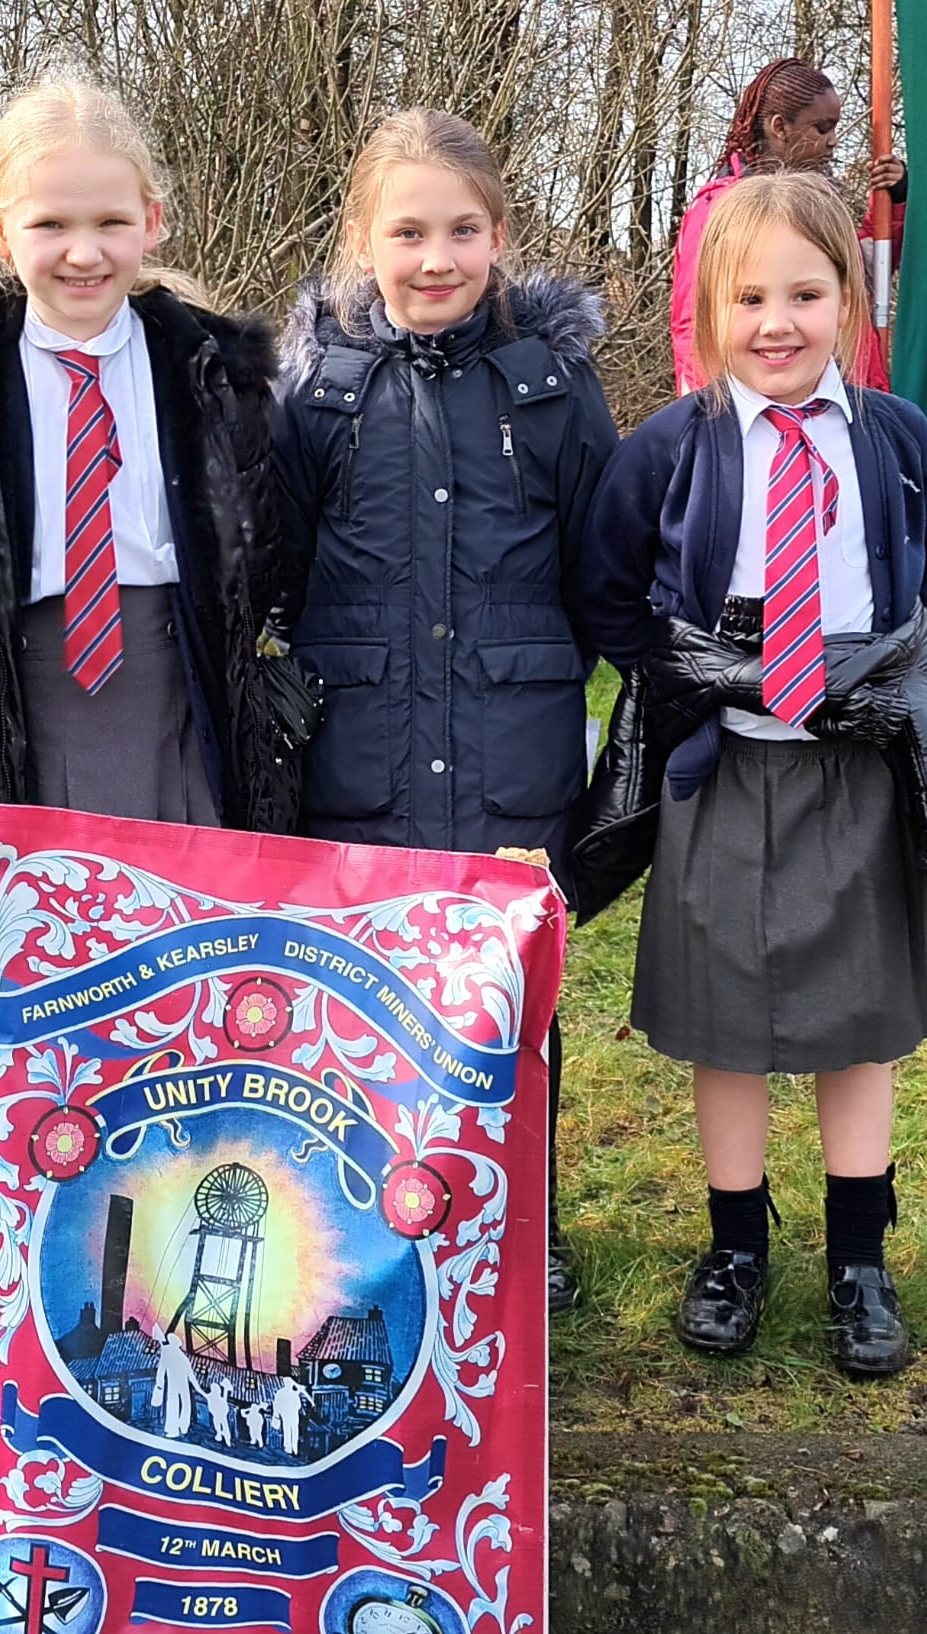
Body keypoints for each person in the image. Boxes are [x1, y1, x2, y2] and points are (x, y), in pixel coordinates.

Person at [579, 172, 927, 1379]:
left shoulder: (888, 438)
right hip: (718, 773)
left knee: (856, 1031)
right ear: (706, 311)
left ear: (847, 297)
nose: (776, 322)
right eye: (748, 298)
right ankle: (734, 1248)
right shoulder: (669, 447)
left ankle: (858, 1259)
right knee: (719, 1027)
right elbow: (608, 588)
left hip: (857, 779)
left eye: (804, 291)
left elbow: (921, 559)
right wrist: (697, 677)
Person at [272, 108, 620, 1315]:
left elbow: (600, 567)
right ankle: (368, 1220)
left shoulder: (553, 389)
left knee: (506, 1002)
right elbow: (279, 570)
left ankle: (524, 1212)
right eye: (406, 231)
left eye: (460, 231)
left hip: (510, 755)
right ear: (361, 239)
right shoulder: (316, 392)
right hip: (358, 754)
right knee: (361, 1002)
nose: (434, 259)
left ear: (498, 236)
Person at [0, 78, 292, 832]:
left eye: (111, 221)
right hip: (22, 701)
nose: (84, 252)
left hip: (181, 693)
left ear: (152, 220)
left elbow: (262, 545)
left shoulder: (213, 372)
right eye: (50, 224)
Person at [670, 58, 907, 393]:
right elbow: (696, 324)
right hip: (759, 419)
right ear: (780, 127)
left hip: (842, 404)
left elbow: (857, 275)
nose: (833, 141)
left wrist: (894, 201)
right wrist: (713, 421)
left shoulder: (817, 203)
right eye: (822, 129)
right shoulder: (719, 210)